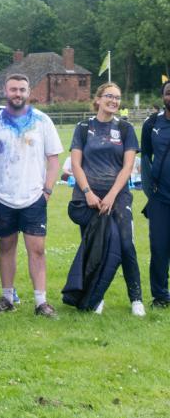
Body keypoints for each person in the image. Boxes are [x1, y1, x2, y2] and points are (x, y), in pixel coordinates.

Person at [0, 73, 63, 318]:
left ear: (29, 92)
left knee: (37, 250)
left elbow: (53, 159)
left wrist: (46, 191)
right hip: (3, 198)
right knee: (6, 248)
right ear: (4, 91)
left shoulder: (42, 121)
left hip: (33, 198)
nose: (17, 93)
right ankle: (7, 297)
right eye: (13, 89)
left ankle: (41, 302)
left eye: (22, 89)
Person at [67, 83, 143, 316]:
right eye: (109, 96)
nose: (114, 101)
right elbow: (76, 165)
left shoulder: (126, 129)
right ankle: (94, 297)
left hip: (117, 196)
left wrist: (111, 196)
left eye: (118, 97)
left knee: (126, 244)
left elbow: (128, 166)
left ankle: (136, 299)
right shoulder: (82, 127)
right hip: (88, 197)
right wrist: (89, 192)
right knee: (94, 246)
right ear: (98, 99)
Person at [142, 80, 170, 309]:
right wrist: (149, 190)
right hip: (160, 198)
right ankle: (160, 296)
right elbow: (144, 157)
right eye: (169, 92)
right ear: (163, 96)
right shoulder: (152, 124)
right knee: (159, 248)